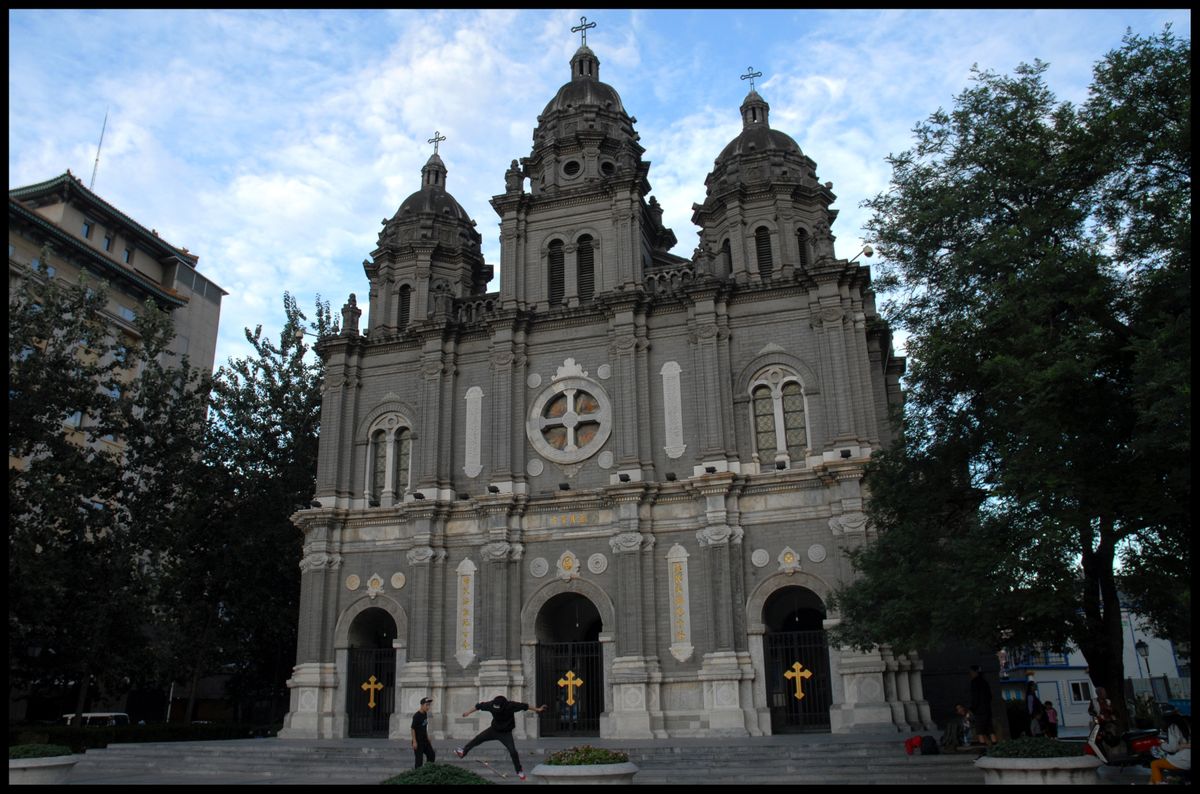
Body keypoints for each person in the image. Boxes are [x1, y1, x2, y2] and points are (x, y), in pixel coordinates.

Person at [456, 694, 547, 781]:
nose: (496, 709)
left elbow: (525, 706)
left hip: (506, 734)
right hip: (493, 730)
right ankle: (463, 751)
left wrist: (538, 709)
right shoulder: (491, 704)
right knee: (478, 738)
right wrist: (468, 712)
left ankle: (519, 770)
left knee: (513, 751)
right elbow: (478, 706)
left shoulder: (511, 705)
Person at [1149, 714, 1191, 784]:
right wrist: (1183, 745)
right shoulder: (1186, 724)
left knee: (1154, 764)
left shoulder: (1173, 727)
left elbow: (1172, 747)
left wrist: (1162, 745)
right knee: (1159, 766)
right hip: (1186, 758)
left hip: (1185, 760)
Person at [968, 665, 997, 747]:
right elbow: (990, 696)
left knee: (980, 730)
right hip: (987, 709)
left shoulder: (974, 682)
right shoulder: (984, 682)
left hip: (979, 710)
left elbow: (975, 697)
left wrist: (972, 708)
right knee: (990, 729)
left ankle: (983, 749)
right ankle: (996, 746)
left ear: (974, 672)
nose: (970, 674)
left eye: (971, 672)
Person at [411, 696, 436, 769]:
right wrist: (414, 741)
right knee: (419, 761)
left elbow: (424, 728)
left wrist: (428, 738)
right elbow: (412, 729)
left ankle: (428, 770)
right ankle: (417, 776)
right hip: (418, 741)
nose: (428, 707)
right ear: (422, 705)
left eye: (429, 705)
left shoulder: (425, 714)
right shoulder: (416, 716)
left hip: (425, 740)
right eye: (426, 705)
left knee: (431, 754)